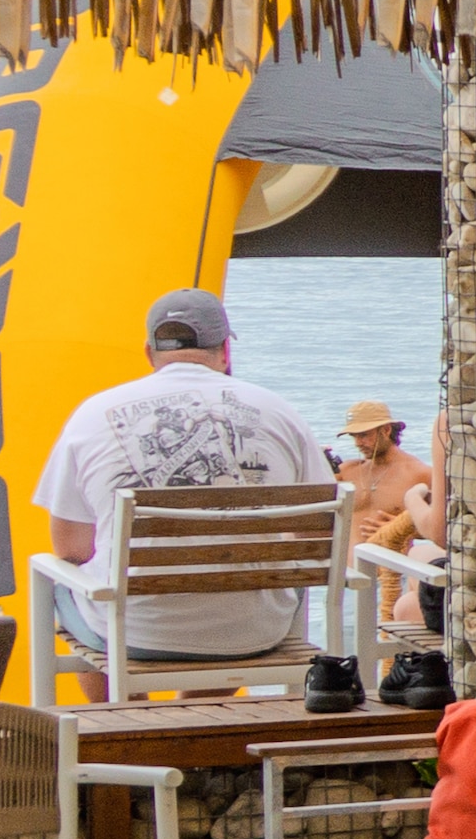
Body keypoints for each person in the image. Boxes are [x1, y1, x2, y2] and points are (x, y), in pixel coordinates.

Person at [34, 288, 329, 676]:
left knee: (61, 580)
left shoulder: (92, 414)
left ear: (148, 352)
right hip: (255, 631)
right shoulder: (281, 411)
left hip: (133, 630)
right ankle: (197, 701)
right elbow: (317, 532)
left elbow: (71, 547)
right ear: (225, 351)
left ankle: (118, 708)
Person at [329, 400, 442, 644]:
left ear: (386, 430)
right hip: (350, 577)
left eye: (364, 435)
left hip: (393, 578)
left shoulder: (419, 473)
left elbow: (442, 527)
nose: (358, 442)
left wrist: (403, 527)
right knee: (346, 649)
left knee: (390, 648)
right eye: (354, 436)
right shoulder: (347, 471)